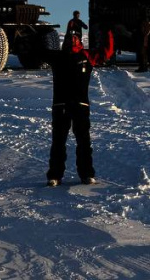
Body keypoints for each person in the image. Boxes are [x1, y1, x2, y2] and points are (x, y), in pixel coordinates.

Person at [44, 28, 115, 187]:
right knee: (58, 142)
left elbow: (106, 53)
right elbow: (39, 52)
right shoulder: (58, 57)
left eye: (76, 37)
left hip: (81, 106)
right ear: (66, 41)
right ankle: (54, 176)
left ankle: (87, 174)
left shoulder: (87, 55)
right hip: (60, 106)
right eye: (70, 37)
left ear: (80, 40)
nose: (73, 39)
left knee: (84, 142)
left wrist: (108, 32)